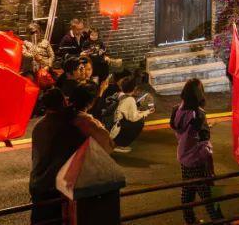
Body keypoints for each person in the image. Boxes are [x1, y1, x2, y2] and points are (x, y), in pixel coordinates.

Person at [29, 88, 95, 225]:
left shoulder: (38, 126)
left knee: (40, 218)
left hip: (37, 181)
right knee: (56, 219)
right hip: (55, 184)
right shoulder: (66, 126)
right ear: (62, 102)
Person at [171, 78, 223, 224]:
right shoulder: (198, 114)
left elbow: (184, 130)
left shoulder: (177, 109)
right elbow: (204, 138)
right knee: (209, 195)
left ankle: (190, 219)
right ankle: (219, 221)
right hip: (198, 158)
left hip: (183, 155)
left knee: (188, 190)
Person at [109, 75, 152, 152]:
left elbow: (127, 112)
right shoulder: (130, 99)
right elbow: (133, 118)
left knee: (138, 118)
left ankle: (117, 142)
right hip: (117, 128)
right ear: (134, 88)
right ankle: (120, 144)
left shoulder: (121, 95)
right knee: (139, 122)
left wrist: (141, 111)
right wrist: (146, 112)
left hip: (113, 124)